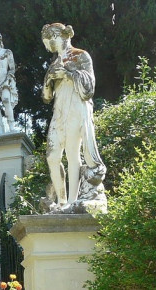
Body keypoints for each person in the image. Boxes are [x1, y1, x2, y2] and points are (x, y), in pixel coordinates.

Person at [41, 23, 106, 207]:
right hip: (59, 111)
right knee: (52, 156)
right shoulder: (53, 64)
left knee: (72, 154)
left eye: (47, 41)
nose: (47, 46)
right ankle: (61, 202)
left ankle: (71, 201)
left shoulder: (80, 56)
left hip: (76, 108)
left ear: (56, 37)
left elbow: (89, 88)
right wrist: (49, 79)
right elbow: (46, 97)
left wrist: (68, 73)